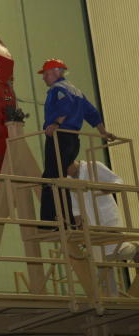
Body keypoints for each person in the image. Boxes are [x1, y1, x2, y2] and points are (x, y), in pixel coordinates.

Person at [37, 59, 116, 225]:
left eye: (46, 73)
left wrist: (56, 123)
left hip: (59, 137)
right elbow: (92, 113)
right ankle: (66, 218)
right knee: (60, 176)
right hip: (73, 140)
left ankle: (53, 219)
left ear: (56, 72)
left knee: (50, 177)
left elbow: (65, 104)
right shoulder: (77, 91)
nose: (44, 77)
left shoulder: (58, 89)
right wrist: (103, 132)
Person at [67, 160, 139, 296]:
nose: (65, 172)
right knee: (101, 262)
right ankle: (111, 299)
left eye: (66, 168)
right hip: (92, 226)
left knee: (116, 252)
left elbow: (118, 181)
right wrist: (80, 228)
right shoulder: (68, 180)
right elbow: (75, 208)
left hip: (108, 220)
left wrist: (105, 188)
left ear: (72, 162)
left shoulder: (94, 166)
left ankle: (135, 249)